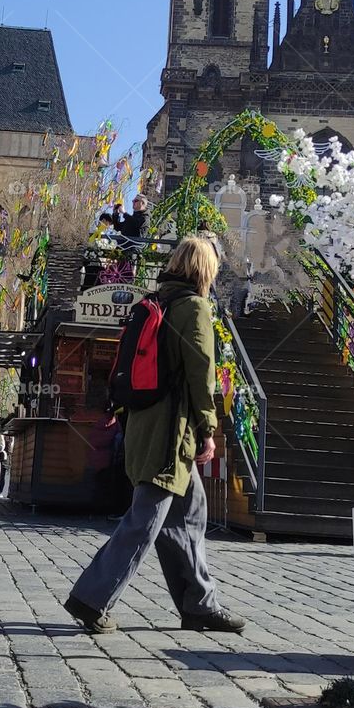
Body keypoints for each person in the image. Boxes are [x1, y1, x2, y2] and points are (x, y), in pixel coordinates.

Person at [64, 235, 244, 636]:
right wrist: (208, 429)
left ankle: (200, 604)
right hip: (170, 435)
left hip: (146, 425)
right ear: (205, 269)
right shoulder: (193, 308)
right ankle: (91, 599)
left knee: (190, 514)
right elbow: (201, 373)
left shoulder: (157, 301)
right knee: (145, 520)